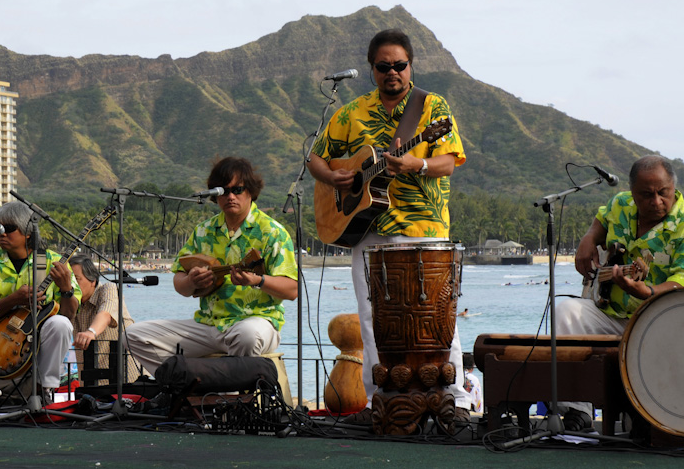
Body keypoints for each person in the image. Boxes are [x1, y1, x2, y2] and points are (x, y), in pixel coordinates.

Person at [306, 28, 470, 422]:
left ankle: (455, 400)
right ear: (372, 69)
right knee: (371, 316)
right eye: (383, 67)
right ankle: (381, 399)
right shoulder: (351, 112)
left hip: (424, 229)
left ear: (410, 66)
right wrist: (335, 178)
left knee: (439, 315)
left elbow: (449, 160)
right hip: (369, 229)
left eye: (399, 65)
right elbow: (316, 158)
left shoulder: (431, 107)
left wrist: (419, 164)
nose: (392, 72)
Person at [557, 155, 684, 431]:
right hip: (610, 313)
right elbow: (601, 220)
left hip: (659, 324)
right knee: (565, 312)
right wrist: (588, 239)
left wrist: (647, 291)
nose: (656, 202)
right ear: (632, 192)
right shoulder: (621, 204)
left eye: (663, 193)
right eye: (646, 195)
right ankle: (576, 411)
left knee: (636, 429)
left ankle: (644, 413)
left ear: (673, 186)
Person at [126, 156, 299, 375]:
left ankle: (228, 398)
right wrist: (191, 281)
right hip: (208, 325)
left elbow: (292, 290)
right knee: (133, 336)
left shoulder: (272, 232)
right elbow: (180, 283)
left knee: (247, 336)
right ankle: (186, 387)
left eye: (238, 189)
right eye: (223, 191)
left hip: (255, 321)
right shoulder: (203, 231)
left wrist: (258, 281)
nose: (230, 196)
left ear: (251, 191)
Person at [0, 200, 80, 404]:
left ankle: (45, 389)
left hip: (34, 340)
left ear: (28, 232)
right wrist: (13, 300)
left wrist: (66, 289)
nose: (2, 234)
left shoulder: (53, 261)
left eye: (9, 229)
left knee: (60, 324)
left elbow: (70, 314)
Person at [68, 254, 141, 385]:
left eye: (76, 279)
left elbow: (106, 314)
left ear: (92, 281)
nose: (71, 285)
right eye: (68, 280)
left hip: (127, 381)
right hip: (90, 384)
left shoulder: (109, 289)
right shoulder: (69, 302)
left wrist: (91, 332)